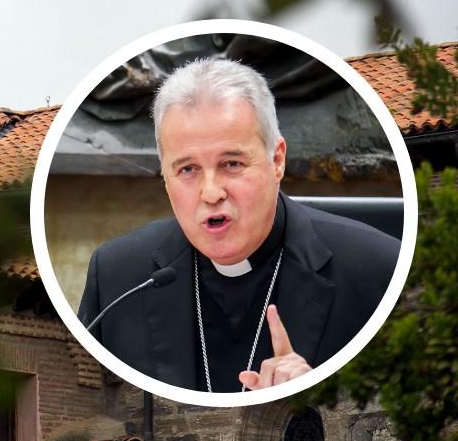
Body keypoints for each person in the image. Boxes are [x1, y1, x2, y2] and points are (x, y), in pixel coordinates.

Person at [76, 58, 401, 393]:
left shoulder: (379, 272)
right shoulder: (118, 280)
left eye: (232, 164)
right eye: (187, 169)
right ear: (165, 176)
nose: (211, 192)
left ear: (277, 160)